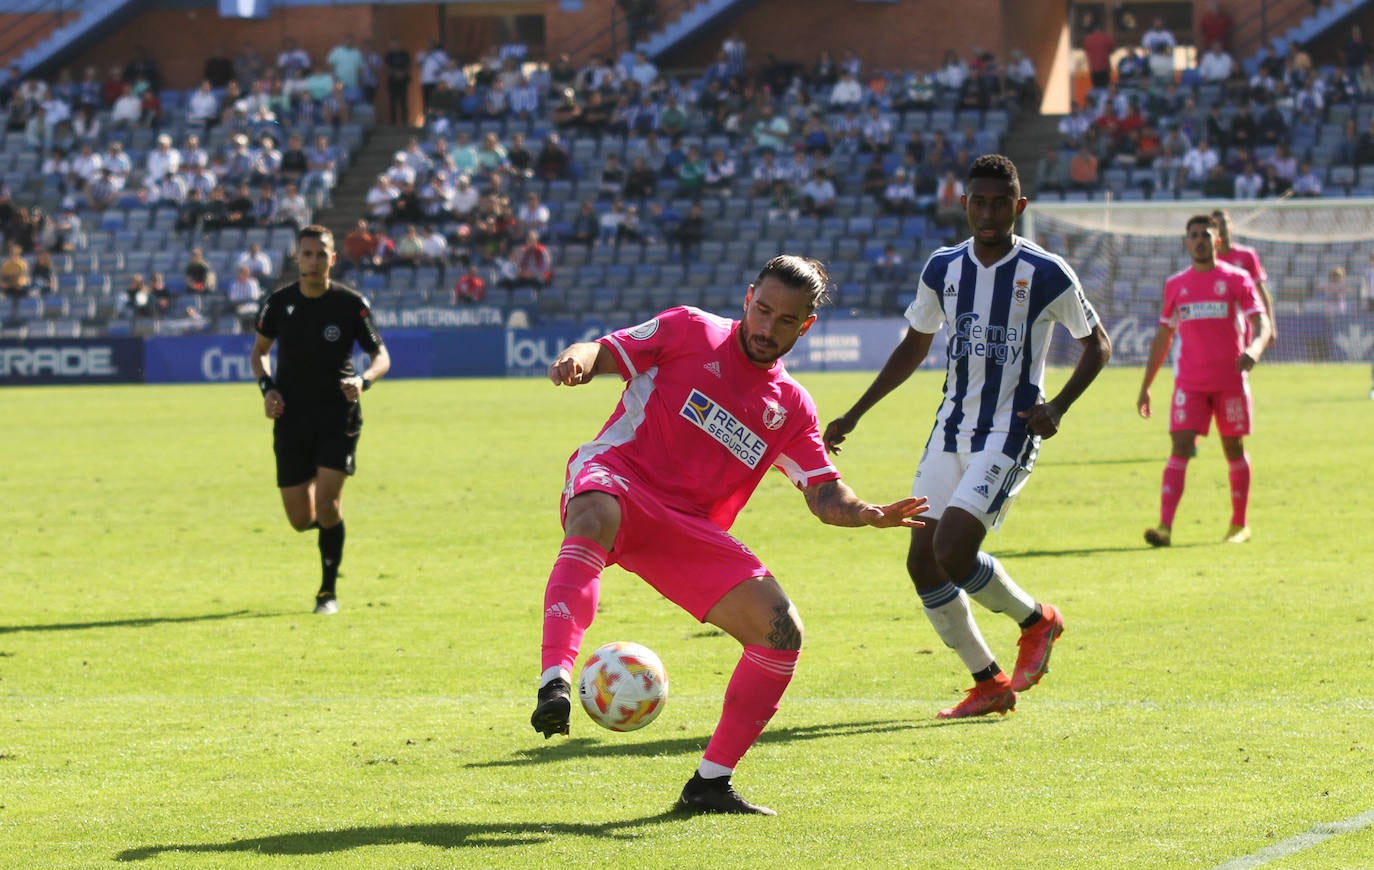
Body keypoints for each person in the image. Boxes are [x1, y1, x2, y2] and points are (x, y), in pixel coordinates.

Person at [530, 255, 927, 815]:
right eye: (762, 310)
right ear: (748, 298)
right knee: (593, 516)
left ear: (805, 325)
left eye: (786, 320)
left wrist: (866, 513)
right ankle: (555, 682)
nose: (768, 328)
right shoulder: (689, 329)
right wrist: (575, 358)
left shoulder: (790, 407)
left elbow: (824, 495)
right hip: (620, 476)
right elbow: (604, 351)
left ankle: (710, 783)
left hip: (687, 528)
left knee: (780, 631)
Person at [822, 155, 1112, 719]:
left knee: (953, 551)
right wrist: (856, 412)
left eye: (1000, 202)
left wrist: (1059, 405)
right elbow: (915, 344)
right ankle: (988, 680)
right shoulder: (943, 268)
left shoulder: (1046, 271)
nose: (988, 212)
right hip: (950, 429)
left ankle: (1037, 621)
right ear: (964, 204)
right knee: (922, 563)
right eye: (979, 201)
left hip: (1010, 431)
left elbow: (1096, 342)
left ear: (1018, 207)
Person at [249, 225, 391, 614]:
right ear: (298, 258)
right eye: (306, 254)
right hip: (292, 417)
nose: (313, 261)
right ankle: (332, 532)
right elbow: (260, 352)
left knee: (328, 504)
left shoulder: (350, 304)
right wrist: (268, 389)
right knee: (300, 519)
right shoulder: (279, 303)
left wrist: (363, 381)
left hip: (338, 415)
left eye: (320, 254)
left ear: (333, 258)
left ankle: (327, 593)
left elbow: (381, 356)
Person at [1137, 215, 1271, 547]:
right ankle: (1164, 527)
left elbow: (1261, 322)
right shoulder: (1176, 284)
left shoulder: (1237, 279)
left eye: (1205, 235)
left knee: (1233, 448)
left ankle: (1239, 524)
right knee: (1180, 445)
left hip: (1230, 382)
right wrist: (1146, 385)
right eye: (1193, 235)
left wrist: (1254, 348)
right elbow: (1163, 336)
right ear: (1186, 243)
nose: (1199, 240)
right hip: (1190, 383)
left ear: (1218, 242)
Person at [1212, 209, 1277, 347]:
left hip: (1244, 321)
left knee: (1242, 364)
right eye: (1216, 225)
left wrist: (1270, 324)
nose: (1221, 228)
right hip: (1216, 324)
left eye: (1224, 222)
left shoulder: (1247, 255)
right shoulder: (1209, 260)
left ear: (1231, 225)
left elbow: (1261, 292)